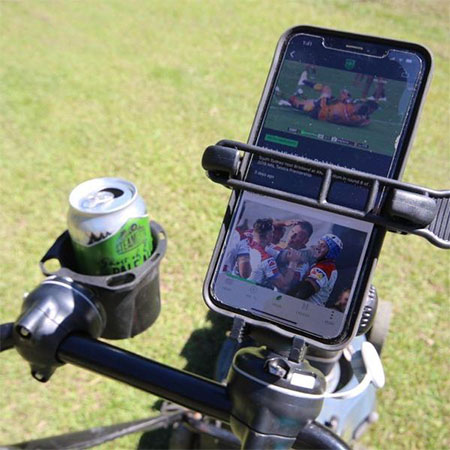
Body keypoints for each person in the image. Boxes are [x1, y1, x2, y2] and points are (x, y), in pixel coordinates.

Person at [278, 71, 379, 127]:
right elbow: (363, 121)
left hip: (322, 108)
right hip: (323, 111)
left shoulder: (350, 109)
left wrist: (345, 96)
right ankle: (290, 99)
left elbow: (343, 98)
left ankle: (302, 83)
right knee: (307, 104)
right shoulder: (358, 118)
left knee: (325, 90)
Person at [289, 233, 343, 307]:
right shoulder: (323, 264)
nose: (317, 247)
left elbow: (303, 291)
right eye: (319, 243)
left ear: (331, 252)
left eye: (323, 246)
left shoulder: (326, 267)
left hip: (307, 309)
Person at [247, 218, 301, 291]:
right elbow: (282, 285)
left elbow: (263, 224)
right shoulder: (267, 260)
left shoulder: (248, 236)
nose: (274, 235)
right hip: (251, 291)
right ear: (267, 236)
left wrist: (284, 223)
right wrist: (293, 262)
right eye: (272, 233)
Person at [266, 221, 314, 293]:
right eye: (292, 231)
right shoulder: (277, 244)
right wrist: (282, 223)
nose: (292, 236)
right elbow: (261, 228)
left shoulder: (303, 262)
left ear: (305, 241)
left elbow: (289, 286)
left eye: (298, 235)